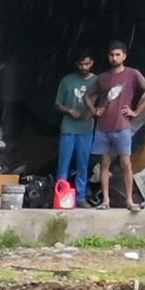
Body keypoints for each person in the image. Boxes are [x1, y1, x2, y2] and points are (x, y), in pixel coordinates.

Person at [89, 44, 145, 210]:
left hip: (122, 126)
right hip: (103, 127)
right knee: (104, 164)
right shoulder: (102, 78)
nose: (114, 58)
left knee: (126, 163)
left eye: (117, 54)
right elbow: (87, 96)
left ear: (124, 56)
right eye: (111, 55)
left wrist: (136, 112)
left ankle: (129, 201)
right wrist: (95, 110)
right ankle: (106, 201)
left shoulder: (132, 74)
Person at [51, 52, 98, 204]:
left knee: (83, 165)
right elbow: (57, 104)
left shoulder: (98, 81)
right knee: (63, 164)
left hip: (86, 128)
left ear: (92, 63)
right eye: (80, 64)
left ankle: (80, 197)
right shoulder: (67, 80)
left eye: (87, 64)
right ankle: (60, 197)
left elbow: (103, 103)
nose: (84, 67)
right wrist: (70, 111)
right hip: (68, 128)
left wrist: (94, 112)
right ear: (76, 64)